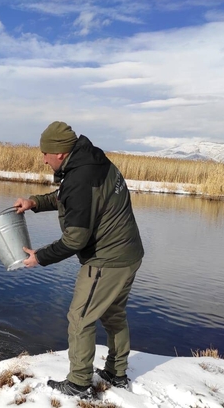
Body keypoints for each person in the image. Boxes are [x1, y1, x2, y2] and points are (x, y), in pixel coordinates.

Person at [14, 121, 144, 399]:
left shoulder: (80, 178)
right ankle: (117, 371)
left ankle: (79, 383)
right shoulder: (91, 161)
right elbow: (67, 197)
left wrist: (40, 257)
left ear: (59, 153)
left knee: (80, 318)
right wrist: (35, 202)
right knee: (113, 313)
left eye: (45, 153)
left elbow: (76, 240)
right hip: (129, 253)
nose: (43, 158)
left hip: (107, 259)